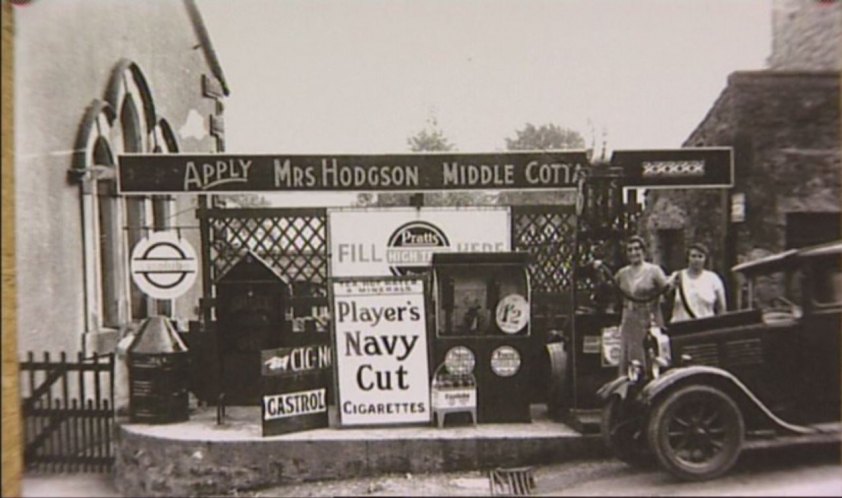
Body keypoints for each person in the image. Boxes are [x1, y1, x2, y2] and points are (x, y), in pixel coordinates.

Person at [610, 235, 670, 375]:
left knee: (651, 357)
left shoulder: (654, 271)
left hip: (649, 320)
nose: (634, 253)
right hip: (629, 321)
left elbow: (667, 291)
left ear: (644, 251)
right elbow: (611, 291)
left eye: (637, 249)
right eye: (630, 250)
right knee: (630, 358)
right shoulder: (622, 274)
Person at [669, 242, 727, 322]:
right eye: (693, 256)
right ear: (688, 258)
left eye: (700, 256)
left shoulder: (713, 279)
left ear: (705, 259)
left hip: (705, 326)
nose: (696, 260)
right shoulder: (677, 276)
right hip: (681, 325)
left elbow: (721, 308)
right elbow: (665, 298)